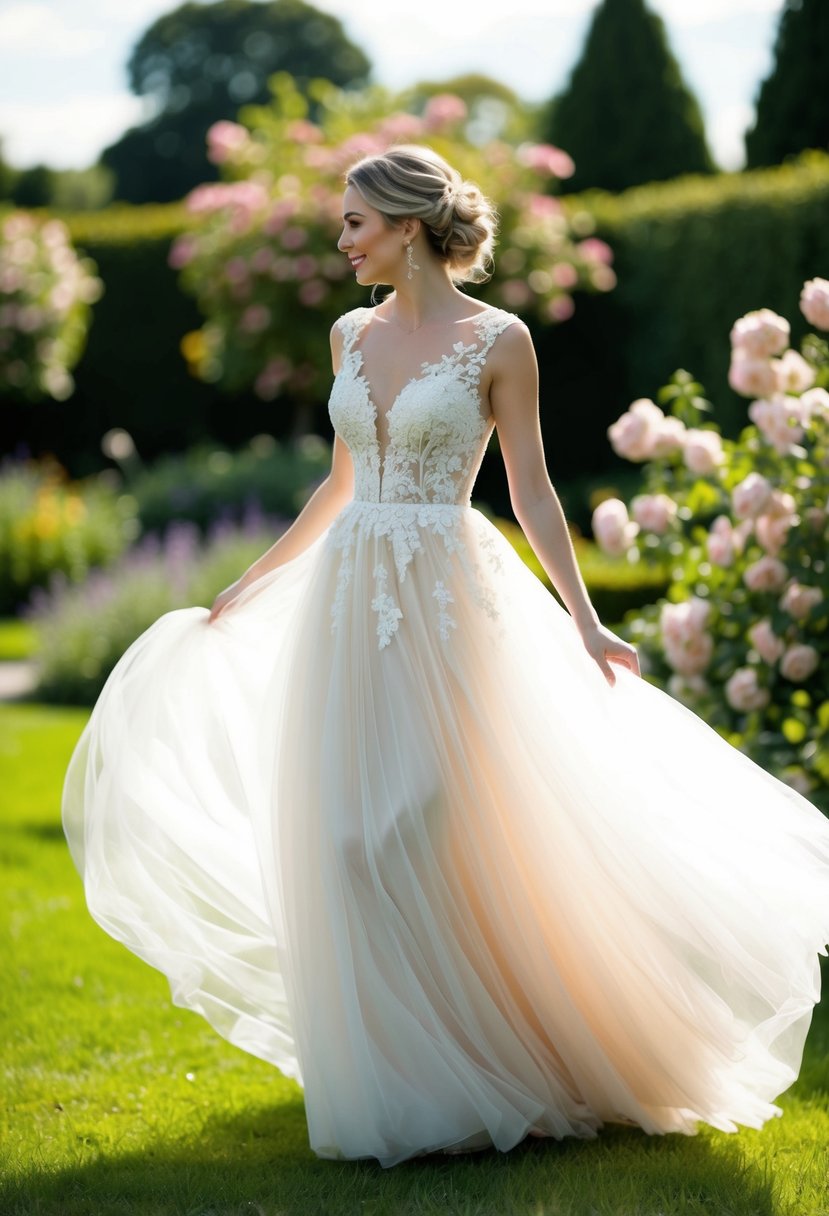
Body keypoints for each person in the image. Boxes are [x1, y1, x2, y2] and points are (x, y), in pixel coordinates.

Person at [63, 144, 829, 1169]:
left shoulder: (500, 341)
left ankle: (509, 1047)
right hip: (346, 596)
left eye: (353, 224)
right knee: (341, 837)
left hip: (450, 595)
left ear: (408, 226)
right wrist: (248, 582)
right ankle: (406, 1078)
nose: (341, 242)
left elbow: (533, 491)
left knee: (425, 818)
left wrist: (585, 619)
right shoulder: (348, 333)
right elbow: (339, 483)